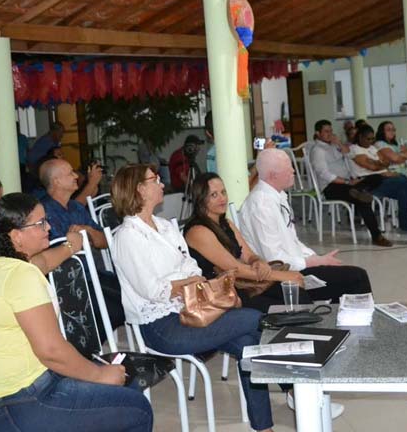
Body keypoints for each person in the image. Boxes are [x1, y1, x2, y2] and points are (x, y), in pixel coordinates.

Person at [110, 164, 274, 432]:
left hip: (192, 310)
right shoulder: (128, 237)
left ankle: (264, 427)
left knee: (249, 344)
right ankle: (297, 386)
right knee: (256, 319)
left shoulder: (164, 226)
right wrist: (186, 281)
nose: (162, 183)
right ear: (140, 189)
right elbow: (153, 290)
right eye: (155, 180)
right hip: (163, 327)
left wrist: (184, 281)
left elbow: (193, 267)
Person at [0, 192, 152, 432]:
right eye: (40, 223)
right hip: (26, 401)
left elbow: (44, 262)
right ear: (16, 235)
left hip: (17, 394)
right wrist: (100, 375)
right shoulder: (20, 277)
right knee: (138, 409)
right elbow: (51, 351)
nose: (48, 227)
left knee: (124, 389)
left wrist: (71, 245)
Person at [239, 148, 375, 300]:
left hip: (293, 267)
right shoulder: (261, 205)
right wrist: (309, 262)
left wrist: (315, 258)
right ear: (273, 175)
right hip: (278, 277)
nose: (293, 171)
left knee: (347, 276)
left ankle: (344, 313)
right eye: (288, 168)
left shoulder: (277, 196)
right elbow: (273, 259)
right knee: (357, 278)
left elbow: (293, 241)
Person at [184, 172, 306, 313]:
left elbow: (248, 255)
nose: (222, 198)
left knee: (299, 296)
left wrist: (258, 261)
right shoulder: (198, 231)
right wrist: (282, 275)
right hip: (224, 293)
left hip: (243, 283)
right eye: (214, 195)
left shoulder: (226, 223)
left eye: (223, 192)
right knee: (290, 302)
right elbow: (235, 269)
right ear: (201, 199)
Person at [39, 159, 125, 331]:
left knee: (130, 295)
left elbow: (105, 241)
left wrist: (89, 231)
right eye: (70, 173)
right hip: (68, 282)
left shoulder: (76, 208)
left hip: (92, 275)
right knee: (117, 308)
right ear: (56, 181)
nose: (76, 176)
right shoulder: (43, 212)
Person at [308, 121, 392, 247]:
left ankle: (359, 190)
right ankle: (377, 236)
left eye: (331, 131)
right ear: (317, 133)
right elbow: (324, 174)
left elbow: (350, 154)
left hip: (349, 184)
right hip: (331, 187)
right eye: (326, 131)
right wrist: (347, 182)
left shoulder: (334, 146)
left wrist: (339, 143)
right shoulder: (317, 151)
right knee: (363, 200)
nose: (330, 134)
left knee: (377, 177)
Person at [350, 124, 407, 233]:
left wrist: (376, 163)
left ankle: (406, 222)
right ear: (360, 137)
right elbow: (371, 166)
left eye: (372, 139)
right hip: (369, 182)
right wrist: (379, 165)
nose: (370, 141)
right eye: (368, 139)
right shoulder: (354, 149)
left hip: (383, 177)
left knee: (406, 189)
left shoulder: (372, 148)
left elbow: (386, 162)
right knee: (406, 184)